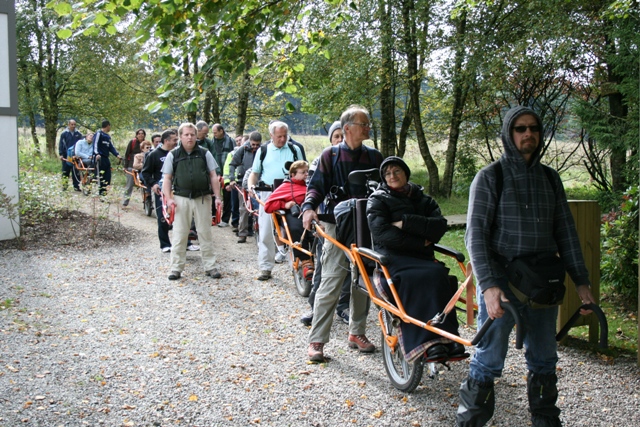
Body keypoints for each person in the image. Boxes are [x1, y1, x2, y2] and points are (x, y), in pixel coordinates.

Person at [456, 106, 596, 427]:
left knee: (545, 360)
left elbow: (566, 234)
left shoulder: (550, 178)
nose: (528, 133)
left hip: (543, 286)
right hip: (502, 286)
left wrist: (582, 283)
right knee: (488, 361)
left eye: (533, 128)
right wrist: (489, 287)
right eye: (520, 128)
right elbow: (475, 236)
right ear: (509, 133)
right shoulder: (491, 177)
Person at [301, 105, 383, 362]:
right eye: (364, 124)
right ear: (347, 128)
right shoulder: (330, 156)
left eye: (368, 123)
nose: (368, 127)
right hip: (337, 226)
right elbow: (315, 188)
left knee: (363, 281)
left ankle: (356, 333)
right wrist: (308, 209)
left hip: (365, 226)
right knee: (332, 280)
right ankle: (317, 340)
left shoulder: (375, 157)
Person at [367, 156, 463, 363]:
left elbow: (438, 227)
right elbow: (382, 234)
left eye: (397, 171)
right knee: (417, 278)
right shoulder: (378, 199)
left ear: (406, 173)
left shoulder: (424, 200)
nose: (392, 176)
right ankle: (425, 342)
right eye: (387, 173)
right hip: (393, 259)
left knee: (439, 275)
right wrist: (420, 241)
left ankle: (446, 338)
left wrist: (405, 222)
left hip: (423, 258)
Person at [301, 121, 350, 327]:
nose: (339, 140)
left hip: (351, 222)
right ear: (330, 138)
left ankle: (344, 307)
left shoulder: (357, 158)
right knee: (323, 265)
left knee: (350, 268)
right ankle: (315, 307)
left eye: (342, 136)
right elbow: (313, 189)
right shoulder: (322, 159)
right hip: (326, 221)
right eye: (336, 136)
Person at [161, 123, 223, 280]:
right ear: (180, 136)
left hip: (202, 197)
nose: (189, 137)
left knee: (205, 233)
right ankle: (176, 268)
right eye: (186, 134)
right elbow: (167, 179)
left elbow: (213, 176)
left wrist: (218, 197)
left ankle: (210, 266)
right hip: (181, 198)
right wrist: (169, 199)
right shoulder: (173, 155)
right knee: (180, 234)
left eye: (192, 134)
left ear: (197, 136)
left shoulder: (204, 153)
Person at [248, 121, 303, 280]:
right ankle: (265, 267)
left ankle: (300, 264)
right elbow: (255, 172)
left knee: (295, 226)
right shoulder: (263, 150)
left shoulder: (295, 149)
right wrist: (251, 187)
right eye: (279, 136)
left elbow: (303, 170)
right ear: (271, 135)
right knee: (265, 229)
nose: (282, 139)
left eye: (285, 135)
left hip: (291, 191)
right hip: (268, 193)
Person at [264, 160, 315, 280]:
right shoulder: (285, 186)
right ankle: (306, 262)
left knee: (318, 231)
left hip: (310, 212)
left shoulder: (311, 185)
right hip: (294, 214)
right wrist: (285, 204)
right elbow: (268, 206)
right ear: (293, 174)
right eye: (303, 172)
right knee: (297, 228)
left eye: (307, 172)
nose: (306, 174)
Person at [142, 129, 178, 252]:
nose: (176, 142)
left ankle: (186, 243)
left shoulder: (177, 153)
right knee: (163, 217)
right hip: (161, 191)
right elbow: (145, 173)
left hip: (177, 189)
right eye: (174, 140)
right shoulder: (154, 154)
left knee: (181, 217)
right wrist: (153, 184)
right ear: (166, 141)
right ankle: (165, 244)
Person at [230, 132, 262, 243]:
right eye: (253, 145)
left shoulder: (263, 150)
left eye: (257, 145)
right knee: (243, 208)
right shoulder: (242, 150)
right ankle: (242, 233)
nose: (255, 147)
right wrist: (231, 178)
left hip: (259, 182)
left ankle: (260, 231)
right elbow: (232, 164)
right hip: (243, 182)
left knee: (260, 207)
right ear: (249, 142)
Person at [211, 124, 236, 227]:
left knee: (227, 196)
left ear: (221, 131)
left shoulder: (231, 141)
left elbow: (235, 156)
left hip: (227, 174)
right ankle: (213, 217)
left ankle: (225, 219)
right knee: (213, 195)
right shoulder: (211, 142)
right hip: (215, 173)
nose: (214, 134)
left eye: (215, 132)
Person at [93, 120, 122, 196]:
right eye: (110, 126)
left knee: (107, 176)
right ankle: (101, 193)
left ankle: (105, 192)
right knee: (101, 176)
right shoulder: (99, 134)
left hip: (106, 158)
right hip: (100, 158)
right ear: (107, 126)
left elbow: (111, 147)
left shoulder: (107, 137)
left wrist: (117, 155)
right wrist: (97, 154)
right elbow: (95, 145)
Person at [58, 119, 83, 191]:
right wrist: (61, 154)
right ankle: (64, 186)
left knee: (76, 171)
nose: (73, 126)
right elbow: (61, 144)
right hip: (66, 155)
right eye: (72, 124)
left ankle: (76, 186)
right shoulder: (64, 133)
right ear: (68, 124)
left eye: (74, 124)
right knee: (65, 171)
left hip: (76, 155)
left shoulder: (78, 134)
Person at [123, 129, 146, 206]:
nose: (140, 135)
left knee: (144, 184)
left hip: (142, 166)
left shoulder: (145, 144)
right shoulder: (132, 142)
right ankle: (125, 201)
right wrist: (125, 166)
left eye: (142, 134)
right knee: (129, 184)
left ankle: (146, 201)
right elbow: (127, 154)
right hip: (131, 165)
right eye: (139, 133)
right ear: (136, 135)